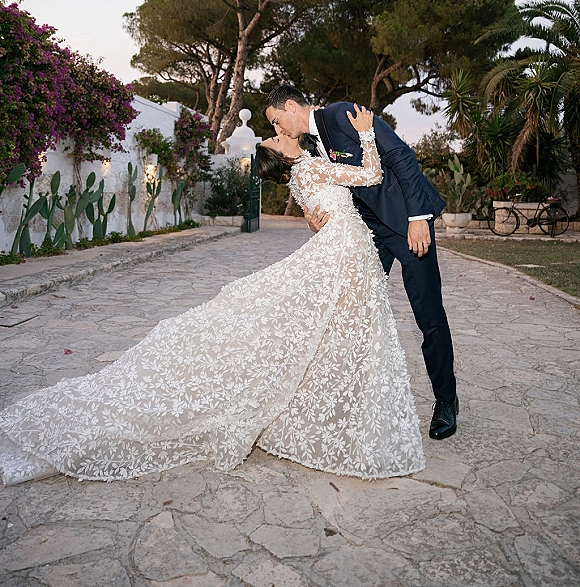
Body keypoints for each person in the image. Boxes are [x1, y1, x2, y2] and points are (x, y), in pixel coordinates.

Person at [0, 105, 425, 486]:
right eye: (274, 135)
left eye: (274, 127)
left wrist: (320, 219)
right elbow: (369, 174)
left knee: (334, 335)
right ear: (281, 154)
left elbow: (327, 206)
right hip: (346, 251)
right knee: (350, 334)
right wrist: (368, 134)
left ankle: (330, 417)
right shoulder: (309, 169)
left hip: (342, 246)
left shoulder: (304, 172)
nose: (277, 130)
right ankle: (341, 424)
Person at [263, 85, 458, 440]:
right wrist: (312, 217)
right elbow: (325, 186)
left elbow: (400, 157)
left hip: (405, 223)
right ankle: (355, 400)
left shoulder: (341, 115)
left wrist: (418, 217)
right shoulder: (309, 145)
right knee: (357, 314)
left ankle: (446, 401)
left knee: (428, 314)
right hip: (366, 232)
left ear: (291, 106)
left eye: (277, 121)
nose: (279, 131)